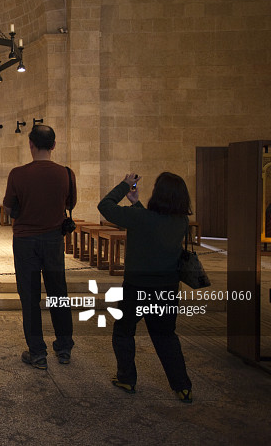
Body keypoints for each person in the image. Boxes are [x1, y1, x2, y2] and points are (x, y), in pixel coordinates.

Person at [98, 172, 194, 403]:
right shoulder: (181, 222)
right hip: (168, 289)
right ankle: (182, 387)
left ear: (158, 194)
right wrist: (136, 203)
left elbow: (105, 206)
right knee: (166, 337)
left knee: (123, 331)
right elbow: (154, 227)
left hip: (137, 287)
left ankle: (127, 378)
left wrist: (125, 185)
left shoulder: (140, 218)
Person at [3, 124, 76, 370]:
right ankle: (64, 347)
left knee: (30, 297)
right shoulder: (66, 173)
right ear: (54, 145)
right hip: (54, 239)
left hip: (25, 241)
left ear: (30, 144)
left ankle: (37, 353)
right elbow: (70, 202)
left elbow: (8, 209)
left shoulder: (17, 173)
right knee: (59, 294)